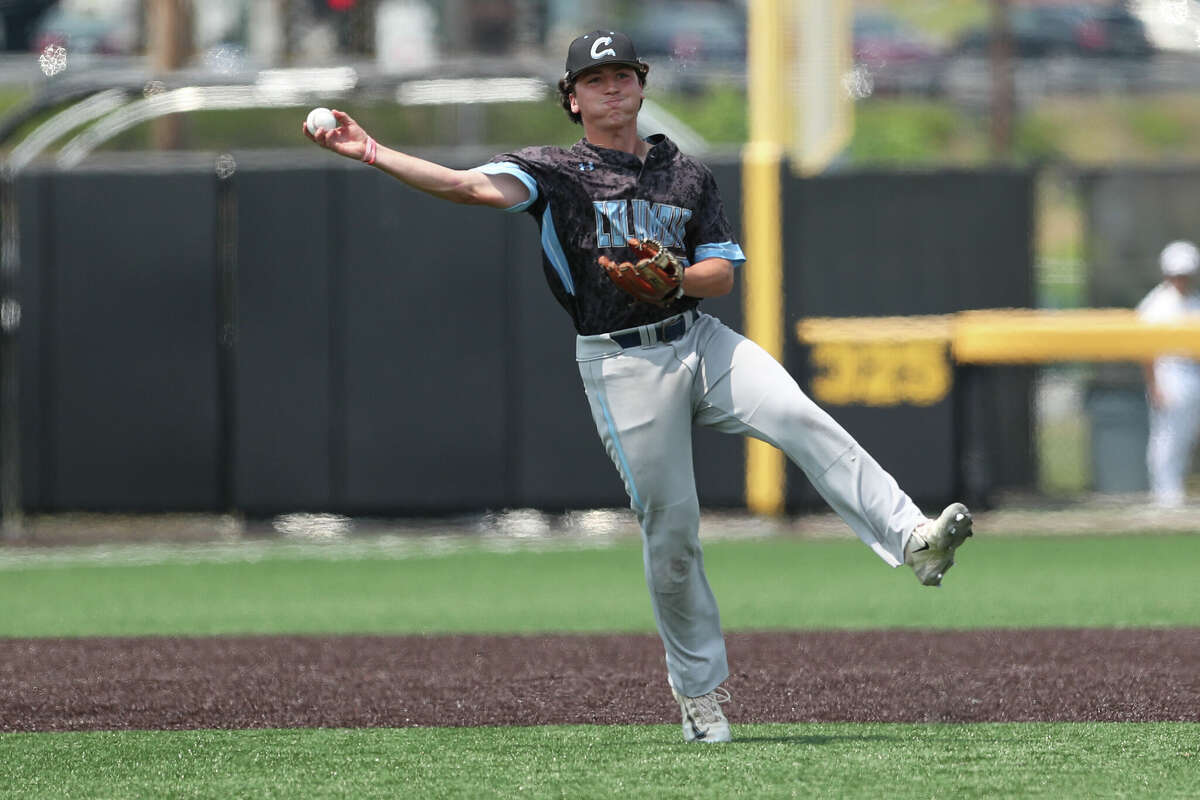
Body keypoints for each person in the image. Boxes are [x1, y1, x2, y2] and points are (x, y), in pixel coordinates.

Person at [304, 29, 974, 744]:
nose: (611, 87)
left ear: (642, 84)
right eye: (594, 79)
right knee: (673, 532)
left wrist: (676, 278)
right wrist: (372, 152)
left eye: (622, 74)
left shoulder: (684, 173)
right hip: (621, 363)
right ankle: (699, 695)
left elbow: (721, 274)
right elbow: (467, 187)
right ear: (572, 99)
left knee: (799, 415)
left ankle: (913, 539)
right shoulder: (554, 170)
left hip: (697, 336)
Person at [1137, 240, 1200, 508]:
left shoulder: (1195, 302)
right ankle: (1165, 495)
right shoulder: (1156, 304)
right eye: (1177, 274)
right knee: (1167, 437)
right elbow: (1146, 349)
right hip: (1169, 372)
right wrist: (1154, 385)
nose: (1181, 280)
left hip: (1194, 372)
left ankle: (1178, 490)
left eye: (1185, 274)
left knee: (1188, 435)